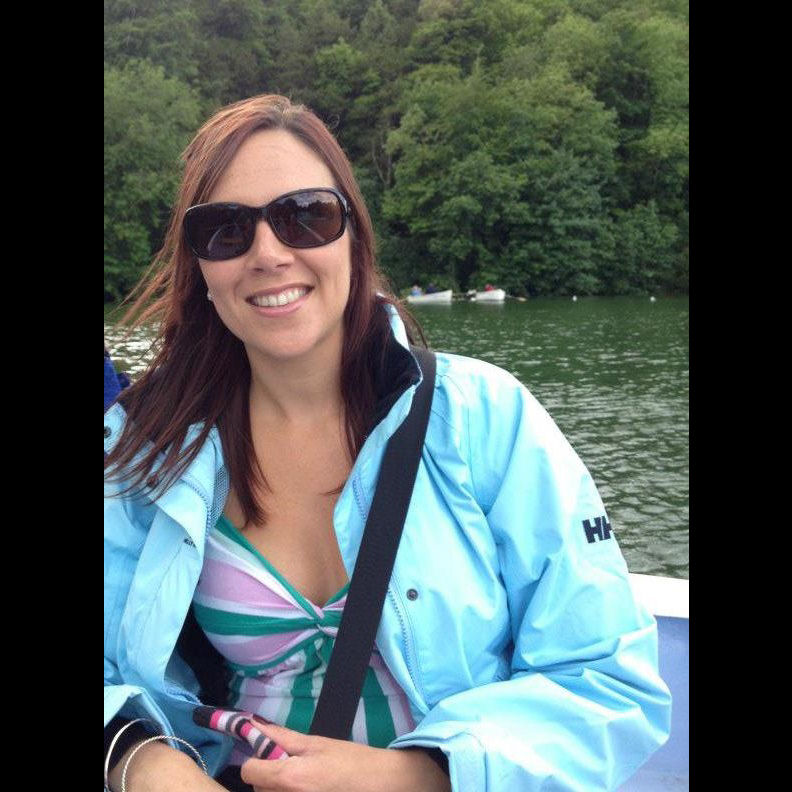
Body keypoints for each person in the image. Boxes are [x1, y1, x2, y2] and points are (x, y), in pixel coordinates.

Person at [104, 94, 671, 792]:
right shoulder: (147, 447)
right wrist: (142, 761)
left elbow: (607, 676)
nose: (269, 254)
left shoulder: (484, 418)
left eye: (305, 215)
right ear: (200, 267)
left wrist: (420, 773)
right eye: (226, 230)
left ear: (353, 235)